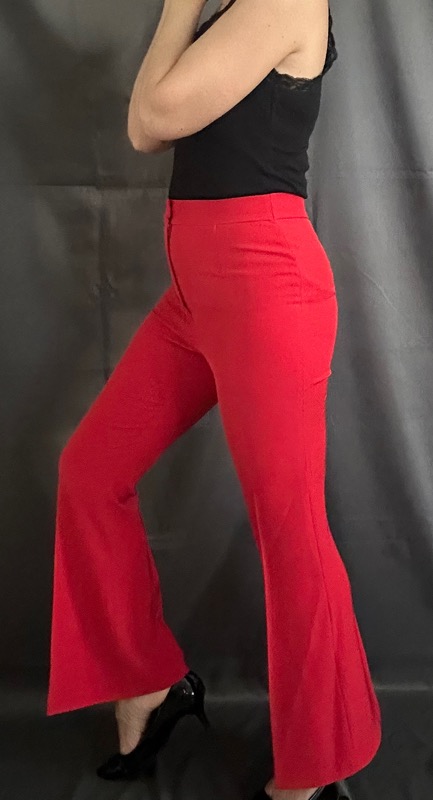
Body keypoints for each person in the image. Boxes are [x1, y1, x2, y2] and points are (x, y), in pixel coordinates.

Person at [46, 1, 382, 799]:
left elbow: (150, 120)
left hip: (265, 289)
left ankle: (313, 767)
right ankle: (146, 683)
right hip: (198, 292)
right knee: (90, 473)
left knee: (289, 533)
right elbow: (154, 126)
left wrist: (176, 5)